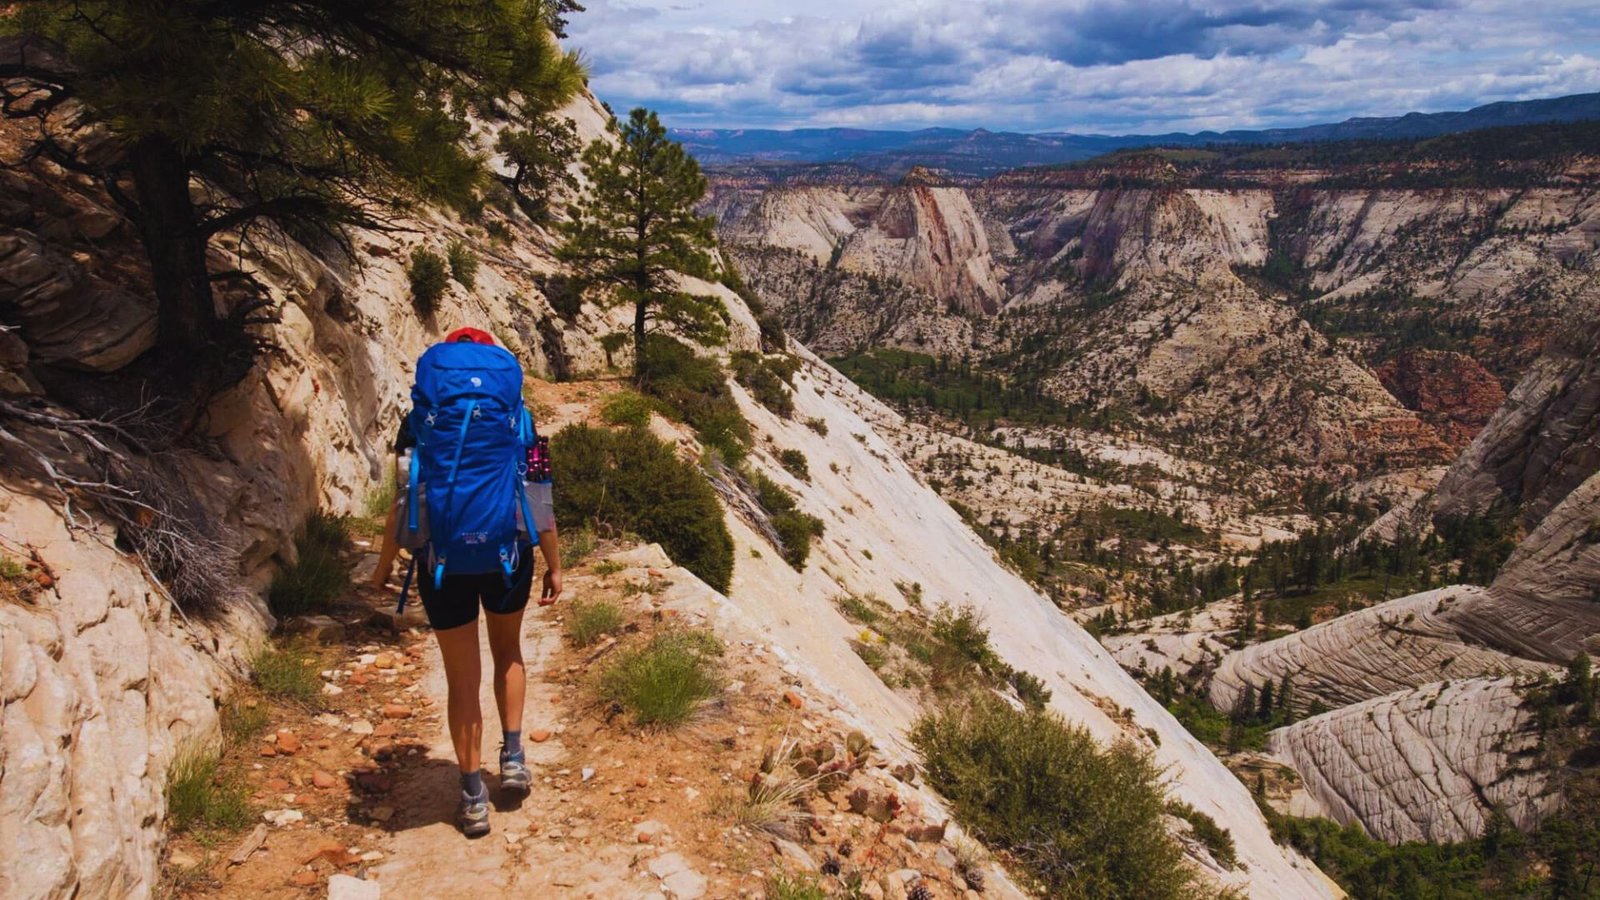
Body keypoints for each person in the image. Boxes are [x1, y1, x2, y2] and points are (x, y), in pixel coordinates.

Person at [391, 326, 562, 837]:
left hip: (442, 563)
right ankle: (512, 756)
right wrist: (554, 562)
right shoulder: (520, 418)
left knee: (461, 678)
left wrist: (385, 566)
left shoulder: (419, 421)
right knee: (508, 653)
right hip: (507, 554)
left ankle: (471, 796)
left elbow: (404, 501)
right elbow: (539, 495)